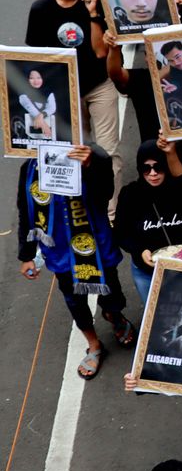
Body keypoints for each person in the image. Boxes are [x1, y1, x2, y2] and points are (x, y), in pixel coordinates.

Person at [18, 143, 136, 380]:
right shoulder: (30, 167)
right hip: (60, 250)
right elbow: (25, 211)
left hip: (96, 243)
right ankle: (93, 345)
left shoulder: (91, 155)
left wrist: (90, 166)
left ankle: (114, 315)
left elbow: (105, 194)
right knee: (74, 299)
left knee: (111, 291)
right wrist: (27, 255)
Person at [26, 0, 122, 199]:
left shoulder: (96, 4)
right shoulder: (40, 9)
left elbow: (101, 53)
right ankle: (82, 211)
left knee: (107, 152)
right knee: (72, 154)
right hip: (64, 94)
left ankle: (110, 215)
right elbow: (34, 59)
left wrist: (92, 13)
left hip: (99, 86)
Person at [114, 137, 182, 304]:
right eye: (146, 169)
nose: (153, 174)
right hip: (148, 273)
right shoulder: (130, 194)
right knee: (159, 319)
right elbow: (121, 232)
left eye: (158, 167)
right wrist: (139, 251)